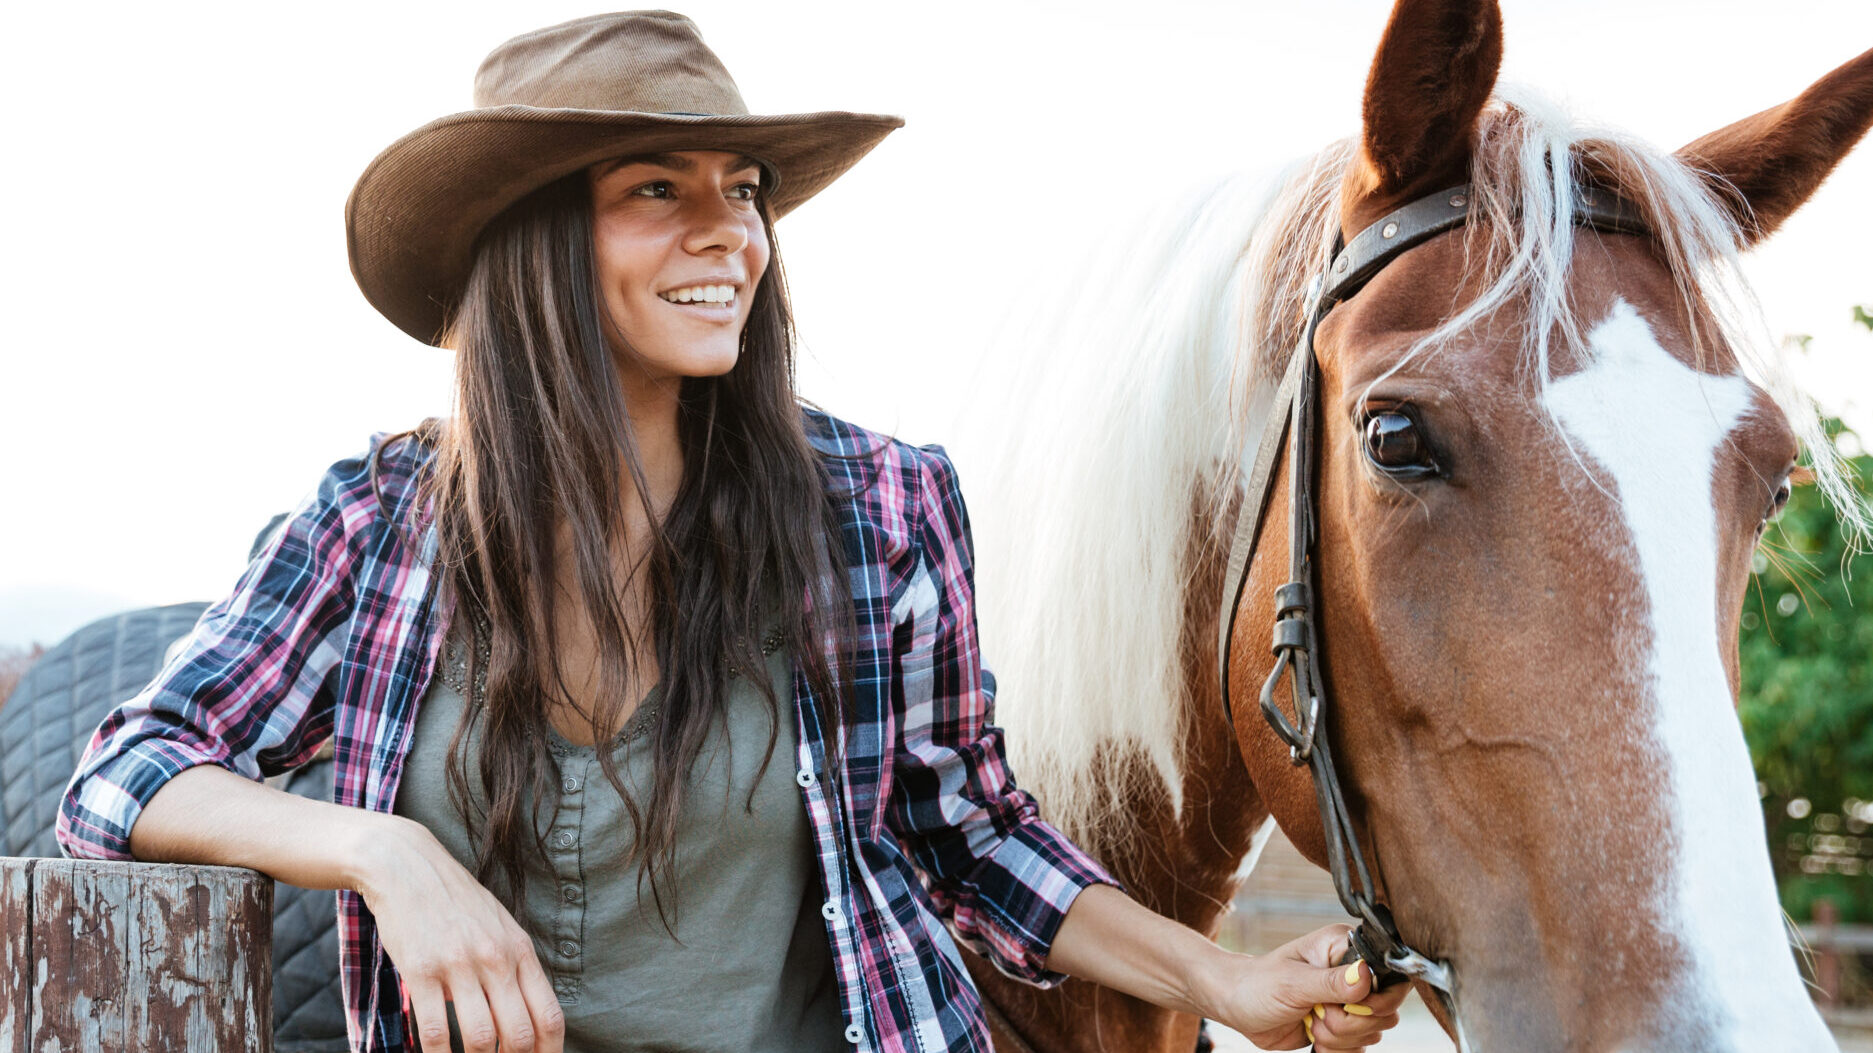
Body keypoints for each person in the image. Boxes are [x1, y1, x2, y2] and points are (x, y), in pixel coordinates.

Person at [58, 11, 1406, 1053]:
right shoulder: (374, 526)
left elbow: (972, 832)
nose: (731, 234)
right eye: (658, 188)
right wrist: (382, 850)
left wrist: (1223, 978)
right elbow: (125, 776)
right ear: (535, 241)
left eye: (744, 185)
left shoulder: (874, 511)